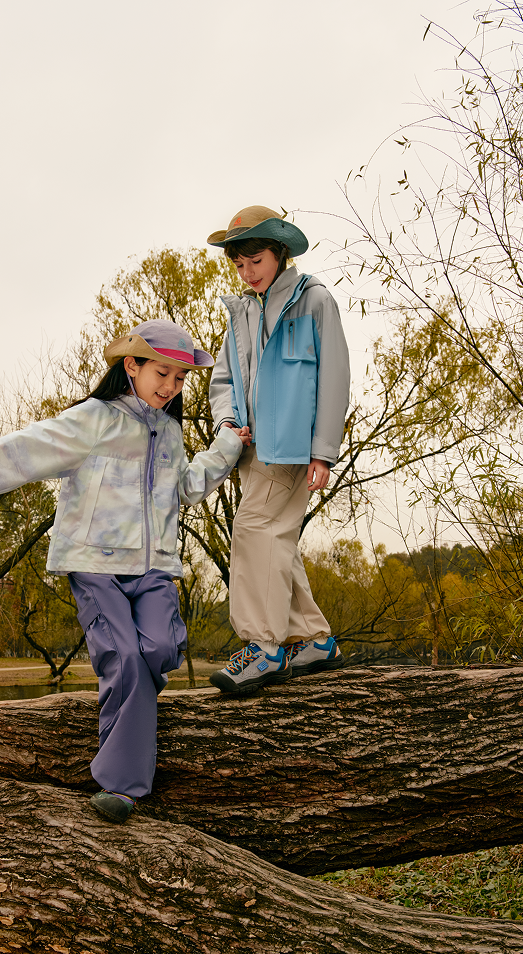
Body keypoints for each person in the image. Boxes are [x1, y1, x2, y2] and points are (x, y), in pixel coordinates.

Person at [0, 321, 247, 823]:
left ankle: (126, 732)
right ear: (130, 366)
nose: (171, 387)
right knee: (126, 658)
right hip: (95, 565)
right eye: (162, 374)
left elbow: (186, 486)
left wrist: (227, 447)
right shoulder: (92, 421)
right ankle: (123, 786)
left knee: (158, 648)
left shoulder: (170, 431)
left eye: (180, 379)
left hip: (153, 568)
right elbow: (17, 453)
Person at [205, 205, 351, 695]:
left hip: (292, 448)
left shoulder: (314, 301)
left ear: (280, 253)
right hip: (251, 450)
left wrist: (323, 451)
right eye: (240, 264)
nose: (247, 272)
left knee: (253, 530)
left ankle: (264, 647)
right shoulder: (241, 310)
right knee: (276, 541)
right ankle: (314, 640)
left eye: (256, 260)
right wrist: (228, 421)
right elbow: (224, 378)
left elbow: (334, 378)